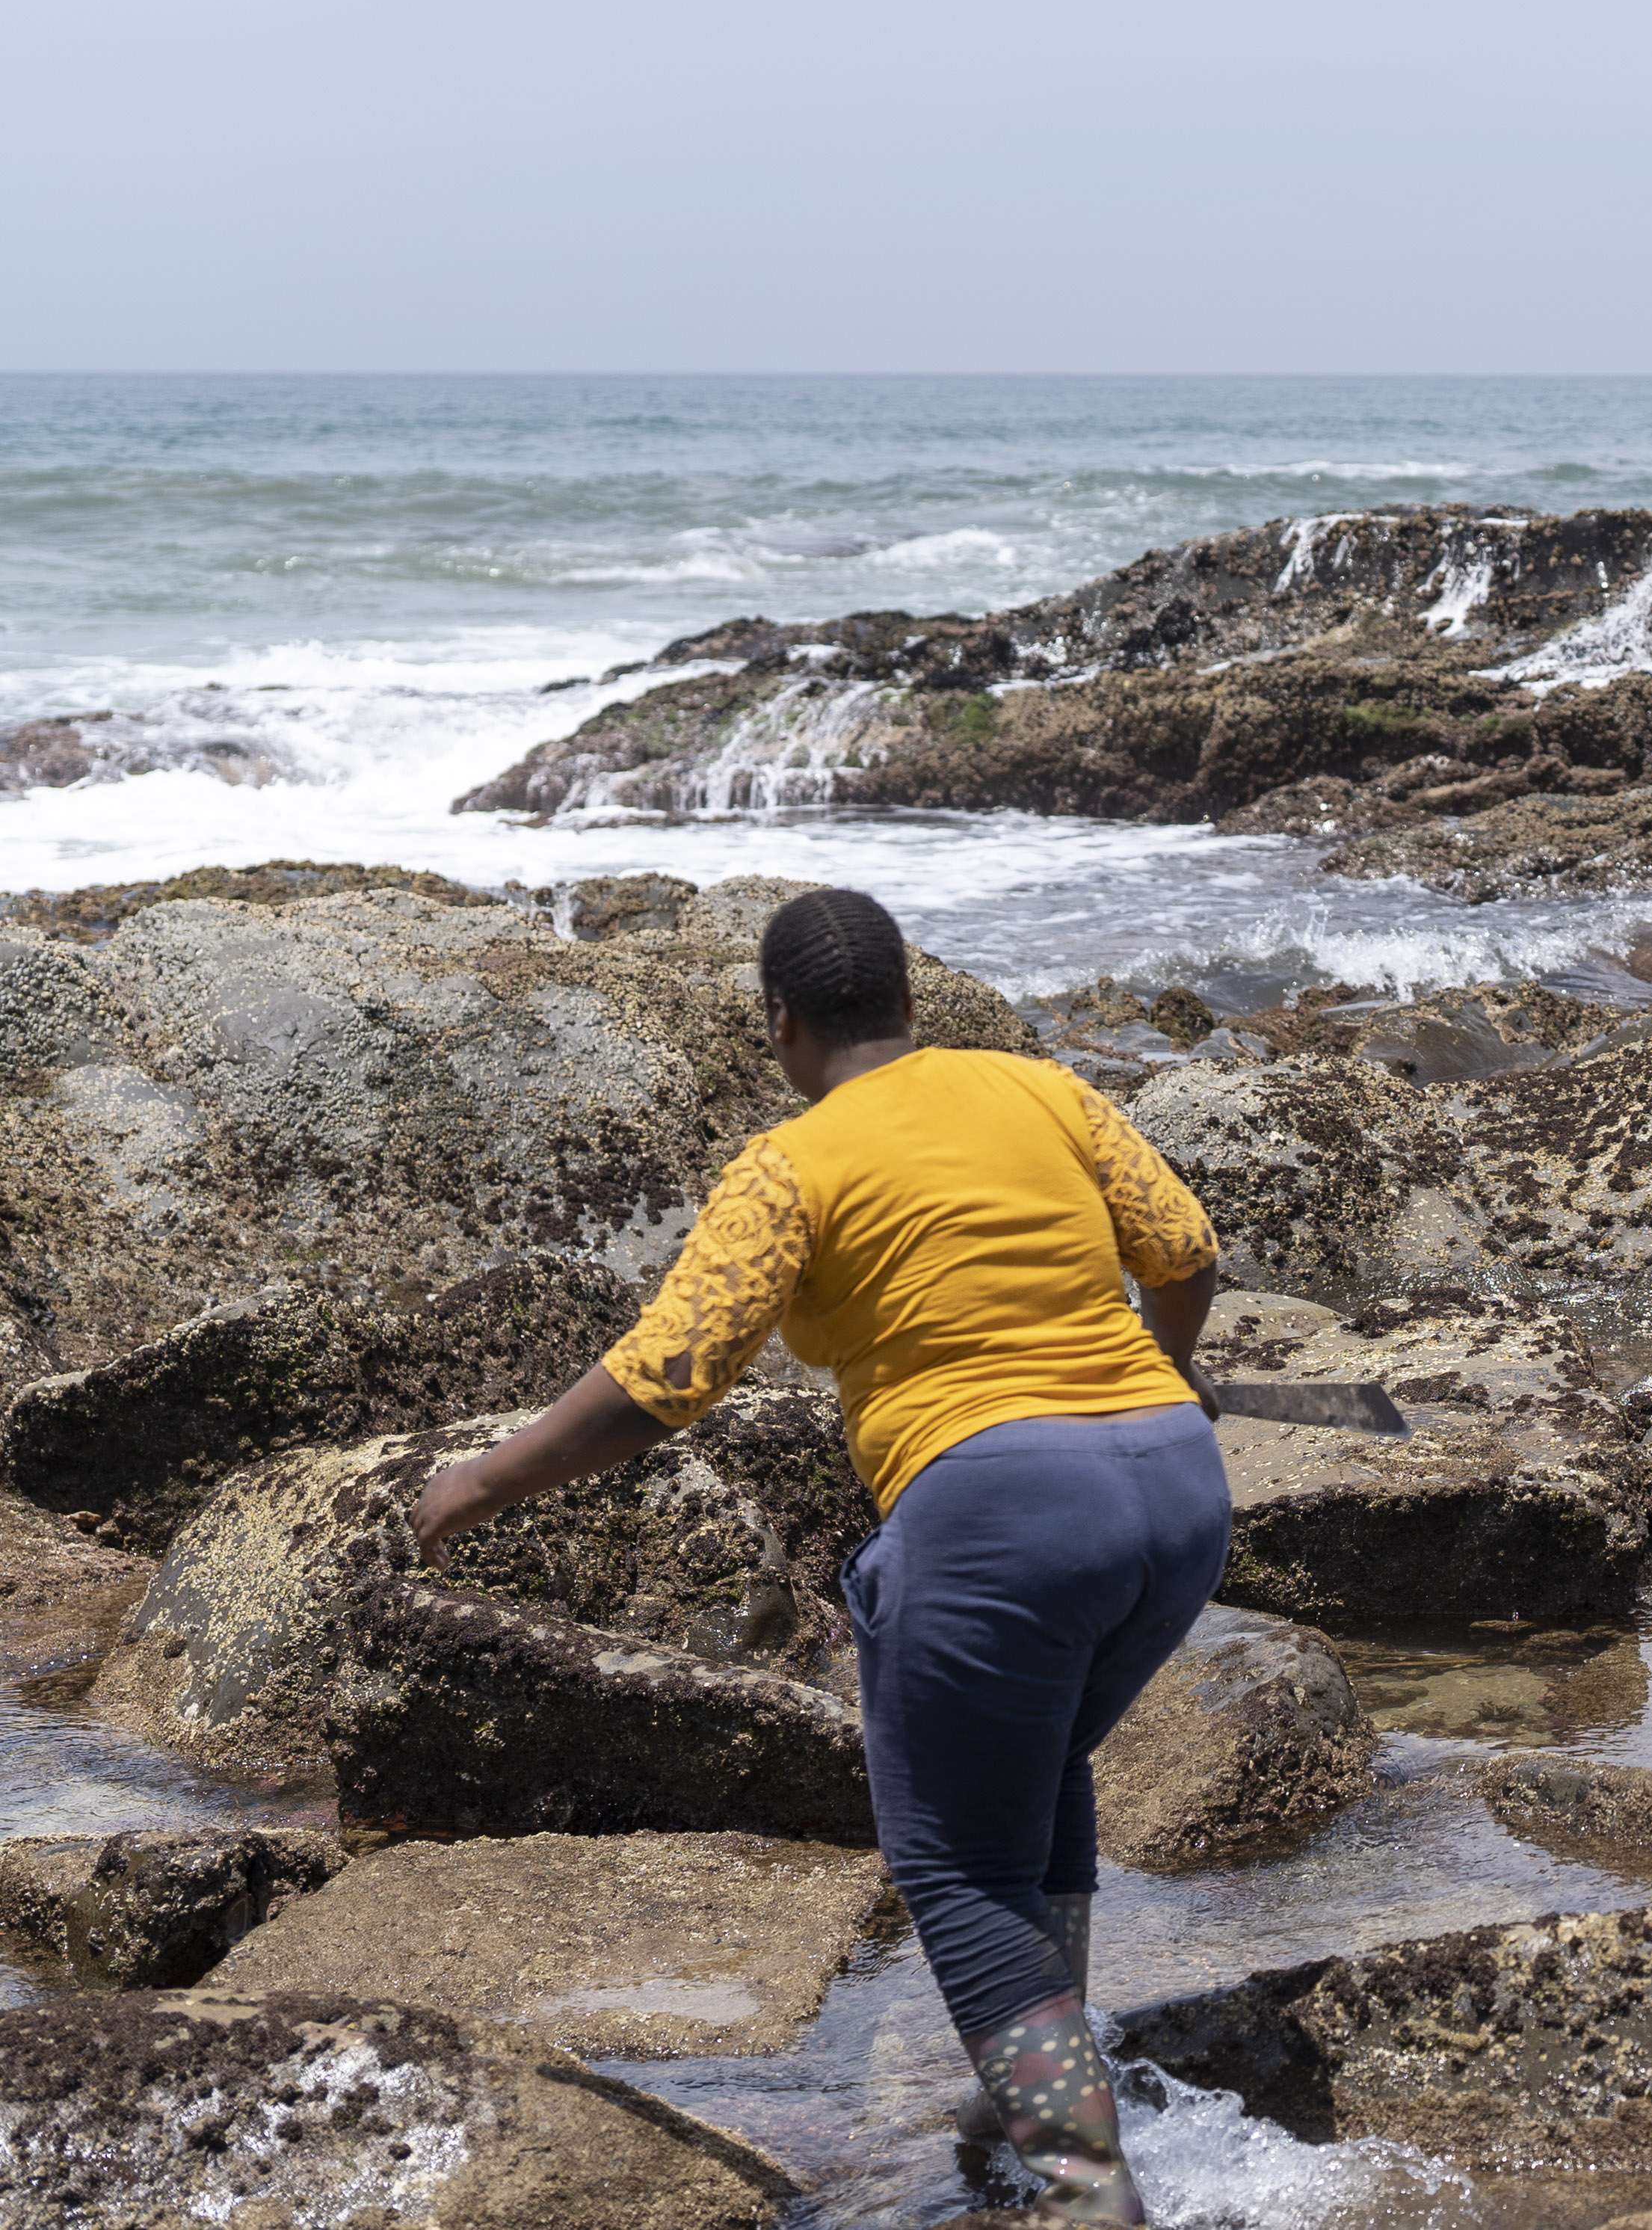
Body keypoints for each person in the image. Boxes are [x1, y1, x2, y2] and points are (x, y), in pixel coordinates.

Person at [410, 889, 1229, 2227]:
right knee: (1035, 1772)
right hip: (1177, 1495)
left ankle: (1088, 2193)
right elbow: (1184, 1245)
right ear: (910, 999)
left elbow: (668, 1375)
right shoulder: (1041, 1087)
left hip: (997, 1517)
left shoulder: (792, 1161)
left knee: (957, 1867)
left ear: (779, 1022)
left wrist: (484, 1480)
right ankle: (1029, 2088)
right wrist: (1174, 1373)